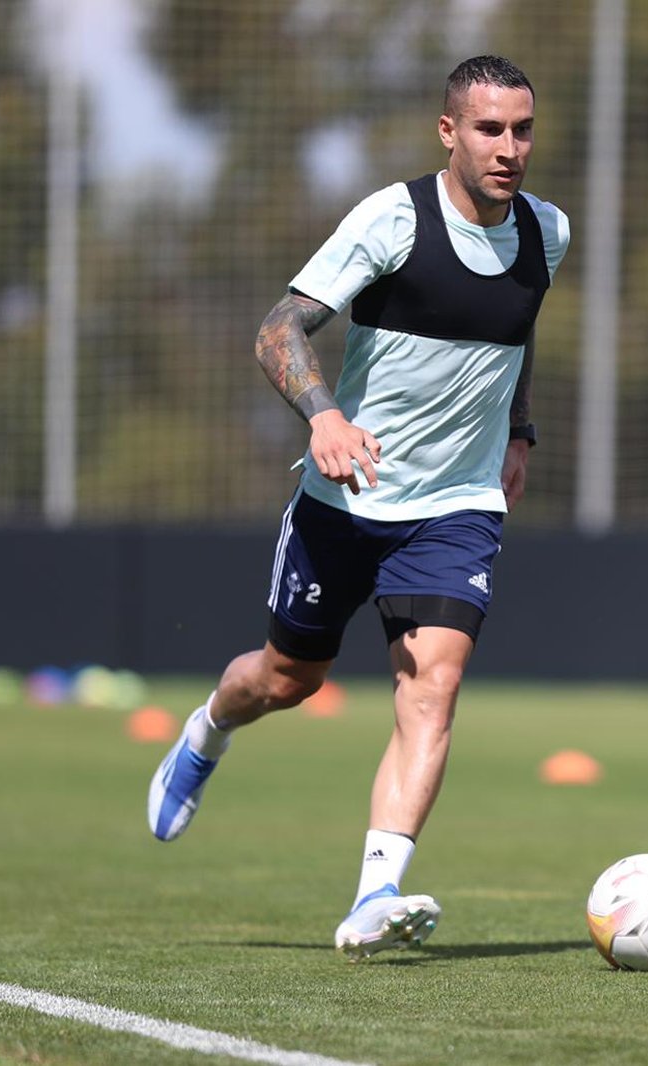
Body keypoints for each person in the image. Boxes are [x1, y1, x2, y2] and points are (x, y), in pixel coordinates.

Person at [147, 55, 570, 959]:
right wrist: (326, 415)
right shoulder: (391, 219)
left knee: (434, 686)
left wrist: (521, 429)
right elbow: (277, 329)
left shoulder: (547, 234)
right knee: (286, 681)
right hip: (345, 500)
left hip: (457, 507)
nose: (509, 149)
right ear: (449, 131)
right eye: (489, 129)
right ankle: (207, 731)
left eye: (523, 130)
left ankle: (377, 892)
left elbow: (519, 327)